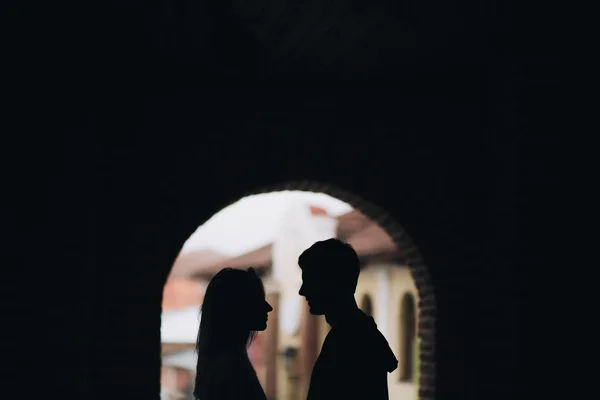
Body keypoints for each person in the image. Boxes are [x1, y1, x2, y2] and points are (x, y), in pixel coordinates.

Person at [298, 239, 398, 400]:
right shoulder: (359, 333)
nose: (302, 291)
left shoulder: (351, 339)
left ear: (331, 283)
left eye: (309, 281)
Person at [194, 267, 273, 400]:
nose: (268, 307)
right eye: (257, 299)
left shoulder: (224, 364)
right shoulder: (230, 369)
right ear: (236, 306)